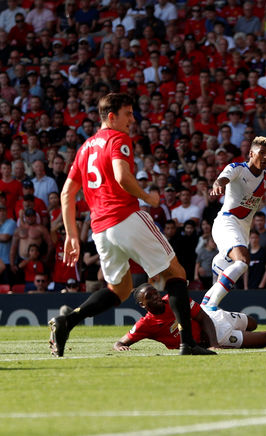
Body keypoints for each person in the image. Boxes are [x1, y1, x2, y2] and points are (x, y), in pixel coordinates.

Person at [49, 93, 213, 356]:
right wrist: (148, 197)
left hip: (100, 229)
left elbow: (67, 193)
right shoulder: (118, 139)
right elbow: (122, 177)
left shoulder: (85, 148)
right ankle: (187, 343)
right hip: (125, 216)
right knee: (176, 274)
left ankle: (68, 321)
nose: (132, 119)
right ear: (111, 116)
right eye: (128, 113)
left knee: (120, 288)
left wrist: (71, 235)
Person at [201, 137, 266, 311]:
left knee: (234, 268)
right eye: (262, 153)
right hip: (226, 222)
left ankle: (206, 299)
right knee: (243, 262)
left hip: (243, 228)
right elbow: (221, 179)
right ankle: (212, 307)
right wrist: (218, 185)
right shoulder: (237, 168)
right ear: (251, 154)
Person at [113, 284, 266, 351]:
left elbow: (203, 320)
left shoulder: (174, 300)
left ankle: (215, 307)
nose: (156, 298)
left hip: (214, 319)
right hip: (221, 336)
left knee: (254, 323)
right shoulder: (146, 324)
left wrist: (212, 344)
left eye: (155, 293)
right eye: (150, 298)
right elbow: (122, 341)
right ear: (142, 304)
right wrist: (120, 346)